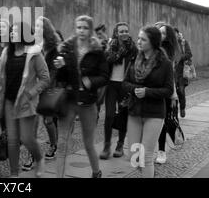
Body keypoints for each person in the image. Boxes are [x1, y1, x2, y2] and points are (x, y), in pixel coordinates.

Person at [54, 15, 109, 178]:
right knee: (62, 143)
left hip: (88, 103)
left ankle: (96, 172)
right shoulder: (67, 48)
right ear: (75, 28)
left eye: (85, 28)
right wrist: (60, 67)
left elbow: (105, 76)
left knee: (88, 144)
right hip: (69, 100)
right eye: (79, 27)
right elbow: (61, 78)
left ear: (90, 30)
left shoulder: (97, 51)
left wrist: (90, 81)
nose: (82, 31)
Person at [0, 21, 50, 178]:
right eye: (11, 31)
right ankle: (14, 175)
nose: (12, 33)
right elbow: (1, 79)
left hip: (26, 102)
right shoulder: (6, 53)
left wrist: (30, 94)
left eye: (15, 31)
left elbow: (45, 78)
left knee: (26, 138)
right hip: (8, 102)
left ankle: (40, 159)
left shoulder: (34, 53)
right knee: (12, 141)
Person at [122, 26, 174, 178]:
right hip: (134, 111)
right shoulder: (134, 59)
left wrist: (147, 92)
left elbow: (168, 90)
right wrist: (135, 90)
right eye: (138, 38)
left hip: (154, 113)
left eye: (143, 39)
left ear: (153, 42)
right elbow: (124, 83)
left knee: (146, 156)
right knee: (134, 155)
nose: (138, 41)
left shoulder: (164, 63)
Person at [100, 22, 138, 159]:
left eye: (126, 31)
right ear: (116, 33)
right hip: (111, 85)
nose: (124, 33)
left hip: (125, 86)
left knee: (123, 115)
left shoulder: (133, 48)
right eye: (121, 31)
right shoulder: (111, 46)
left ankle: (120, 145)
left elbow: (137, 65)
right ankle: (106, 145)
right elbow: (106, 60)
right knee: (109, 115)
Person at [34, 16, 61, 160]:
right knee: (36, 121)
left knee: (48, 120)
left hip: (49, 87)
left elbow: (55, 69)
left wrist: (47, 83)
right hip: (35, 86)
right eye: (36, 26)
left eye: (40, 26)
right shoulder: (33, 44)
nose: (37, 28)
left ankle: (53, 144)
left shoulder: (53, 46)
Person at [155, 23, 181, 164]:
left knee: (162, 122)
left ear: (168, 37)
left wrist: (173, 95)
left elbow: (170, 76)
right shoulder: (153, 47)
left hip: (163, 91)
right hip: (151, 90)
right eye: (159, 32)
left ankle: (161, 151)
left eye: (163, 33)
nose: (160, 35)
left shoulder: (166, 51)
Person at [174, 27, 193, 118]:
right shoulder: (170, 44)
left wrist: (180, 57)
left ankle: (182, 108)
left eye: (175, 33)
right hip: (172, 72)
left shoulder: (183, 42)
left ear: (178, 34)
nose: (174, 35)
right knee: (173, 93)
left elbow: (189, 54)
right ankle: (174, 113)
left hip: (182, 72)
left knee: (181, 91)